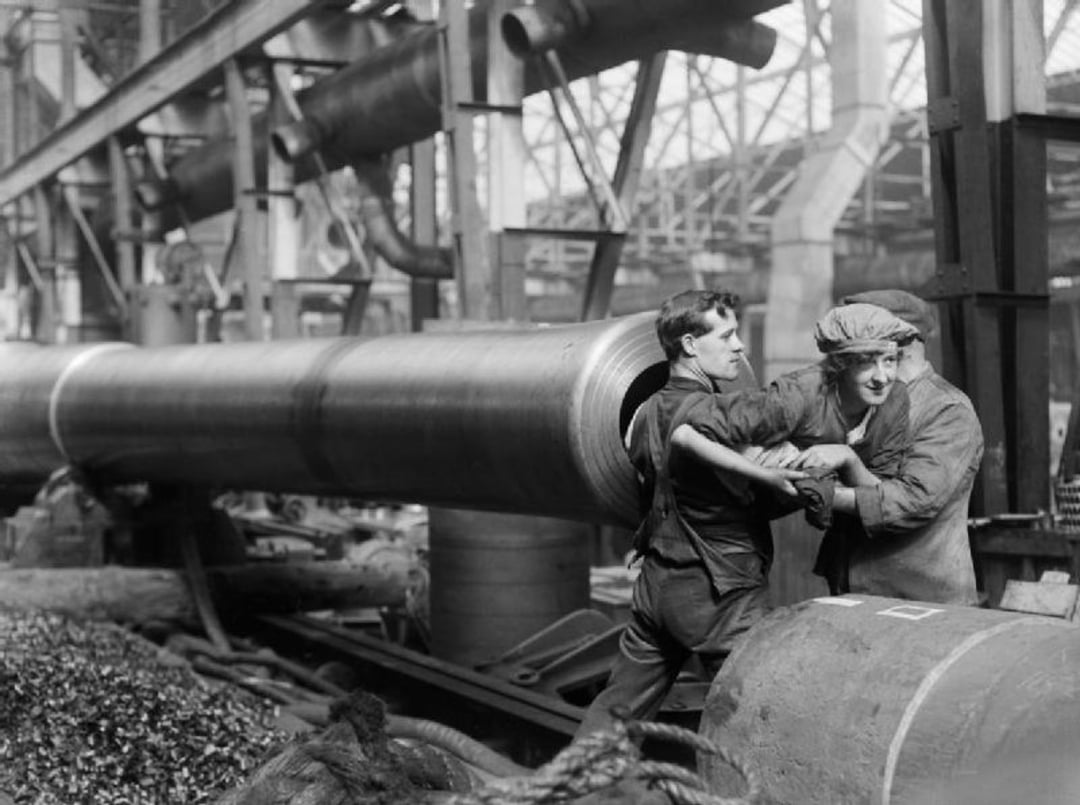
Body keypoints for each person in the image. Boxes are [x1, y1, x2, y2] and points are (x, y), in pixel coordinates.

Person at [574, 289, 806, 740]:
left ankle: (581, 777)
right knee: (758, 715)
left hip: (657, 586)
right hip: (719, 594)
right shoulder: (713, 415)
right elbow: (765, 497)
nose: (739, 345)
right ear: (690, 344)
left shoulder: (642, 414)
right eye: (727, 335)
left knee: (615, 715)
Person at [672, 302, 920, 598]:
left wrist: (847, 458)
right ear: (841, 365)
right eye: (867, 363)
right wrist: (766, 461)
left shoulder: (895, 400)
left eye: (889, 361)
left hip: (809, 528)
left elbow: (884, 496)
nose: (882, 377)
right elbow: (691, 422)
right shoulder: (797, 396)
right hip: (716, 518)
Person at [821, 289, 983, 605]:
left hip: (922, 601)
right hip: (856, 592)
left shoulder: (947, 410)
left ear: (901, 340)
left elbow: (913, 501)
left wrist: (827, 493)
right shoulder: (866, 401)